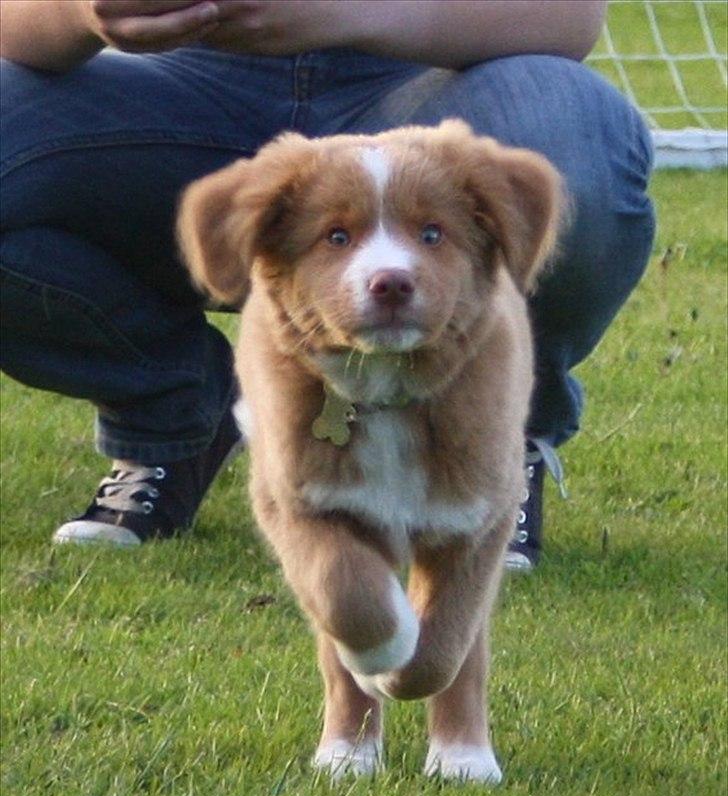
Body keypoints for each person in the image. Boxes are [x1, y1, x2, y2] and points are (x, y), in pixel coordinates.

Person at [0, 0, 655, 568]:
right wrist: (83, 13)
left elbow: (568, 16)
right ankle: (175, 409)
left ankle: (494, 440)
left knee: (567, 128)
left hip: (435, 83)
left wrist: (347, 11)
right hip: (177, 88)